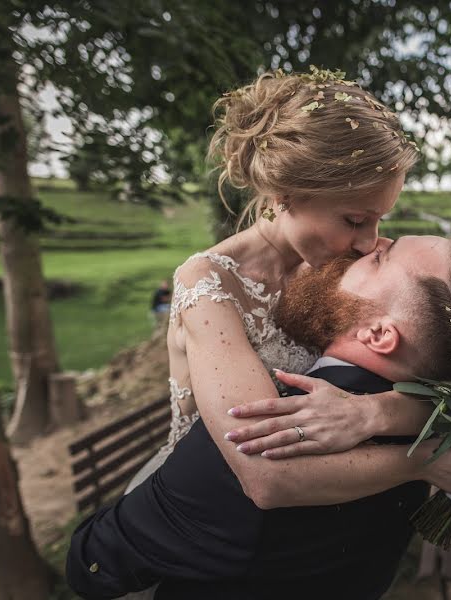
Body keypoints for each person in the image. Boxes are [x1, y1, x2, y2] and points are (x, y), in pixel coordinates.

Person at [67, 236, 451, 599]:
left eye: (380, 258)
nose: (374, 240)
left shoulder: (263, 432)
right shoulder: (435, 430)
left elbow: (98, 560)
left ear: (378, 334)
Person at [122, 68, 432, 502]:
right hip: (205, 515)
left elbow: (439, 375)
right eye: (356, 220)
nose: (369, 242)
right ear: (285, 191)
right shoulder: (209, 286)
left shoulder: (356, 265)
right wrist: (426, 461)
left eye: (380, 219)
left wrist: (374, 414)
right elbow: (264, 475)